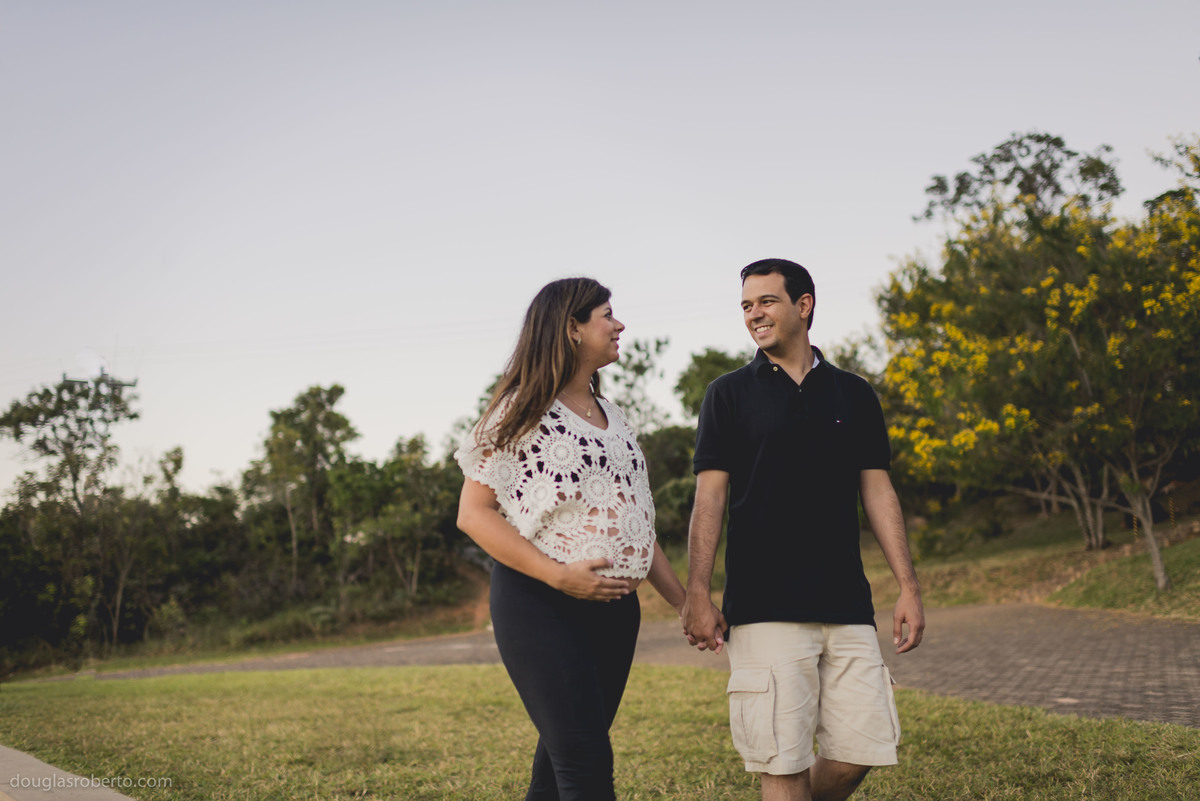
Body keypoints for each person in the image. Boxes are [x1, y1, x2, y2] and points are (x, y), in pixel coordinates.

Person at [681, 258, 925, 801]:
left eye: (766, 301)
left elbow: (878, 489)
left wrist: (908, 586)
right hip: (764, 606)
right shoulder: (727, 394)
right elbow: (710, 497)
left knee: (861, 751)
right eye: (746, 305)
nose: (753, 314)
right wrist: (698, 590)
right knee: (783, 763)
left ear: (803, 305)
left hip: (846, 604)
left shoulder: (854, 392)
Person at [455, 277, 706, 801]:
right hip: (540, 603)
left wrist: (685, 604)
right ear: (572, 328)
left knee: (561, 763)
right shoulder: (519, 412)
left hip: (616, 611)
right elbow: (474, 516)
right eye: (606, 315)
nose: (619, 325)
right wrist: (559, 576)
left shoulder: (617, 420)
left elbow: (636, 527)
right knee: (586, 761)